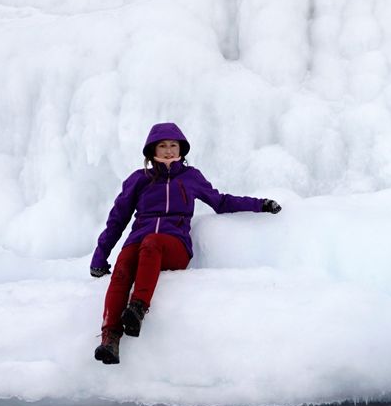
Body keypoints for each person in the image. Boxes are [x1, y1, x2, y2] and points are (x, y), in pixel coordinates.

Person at [89, 121, 280, 364]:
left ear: (181, 150)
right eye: (162, 146)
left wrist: (260, 204)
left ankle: (137, 309)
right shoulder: (139, 180)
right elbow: (117, 220)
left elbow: (220, 202)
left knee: (152, 242)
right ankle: (110, 340)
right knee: (123, 266)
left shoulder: (191, 177)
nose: (168, 150)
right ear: (152, 151)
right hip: (138, 242)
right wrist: (99, 256)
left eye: (173, 145)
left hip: (173, 246)